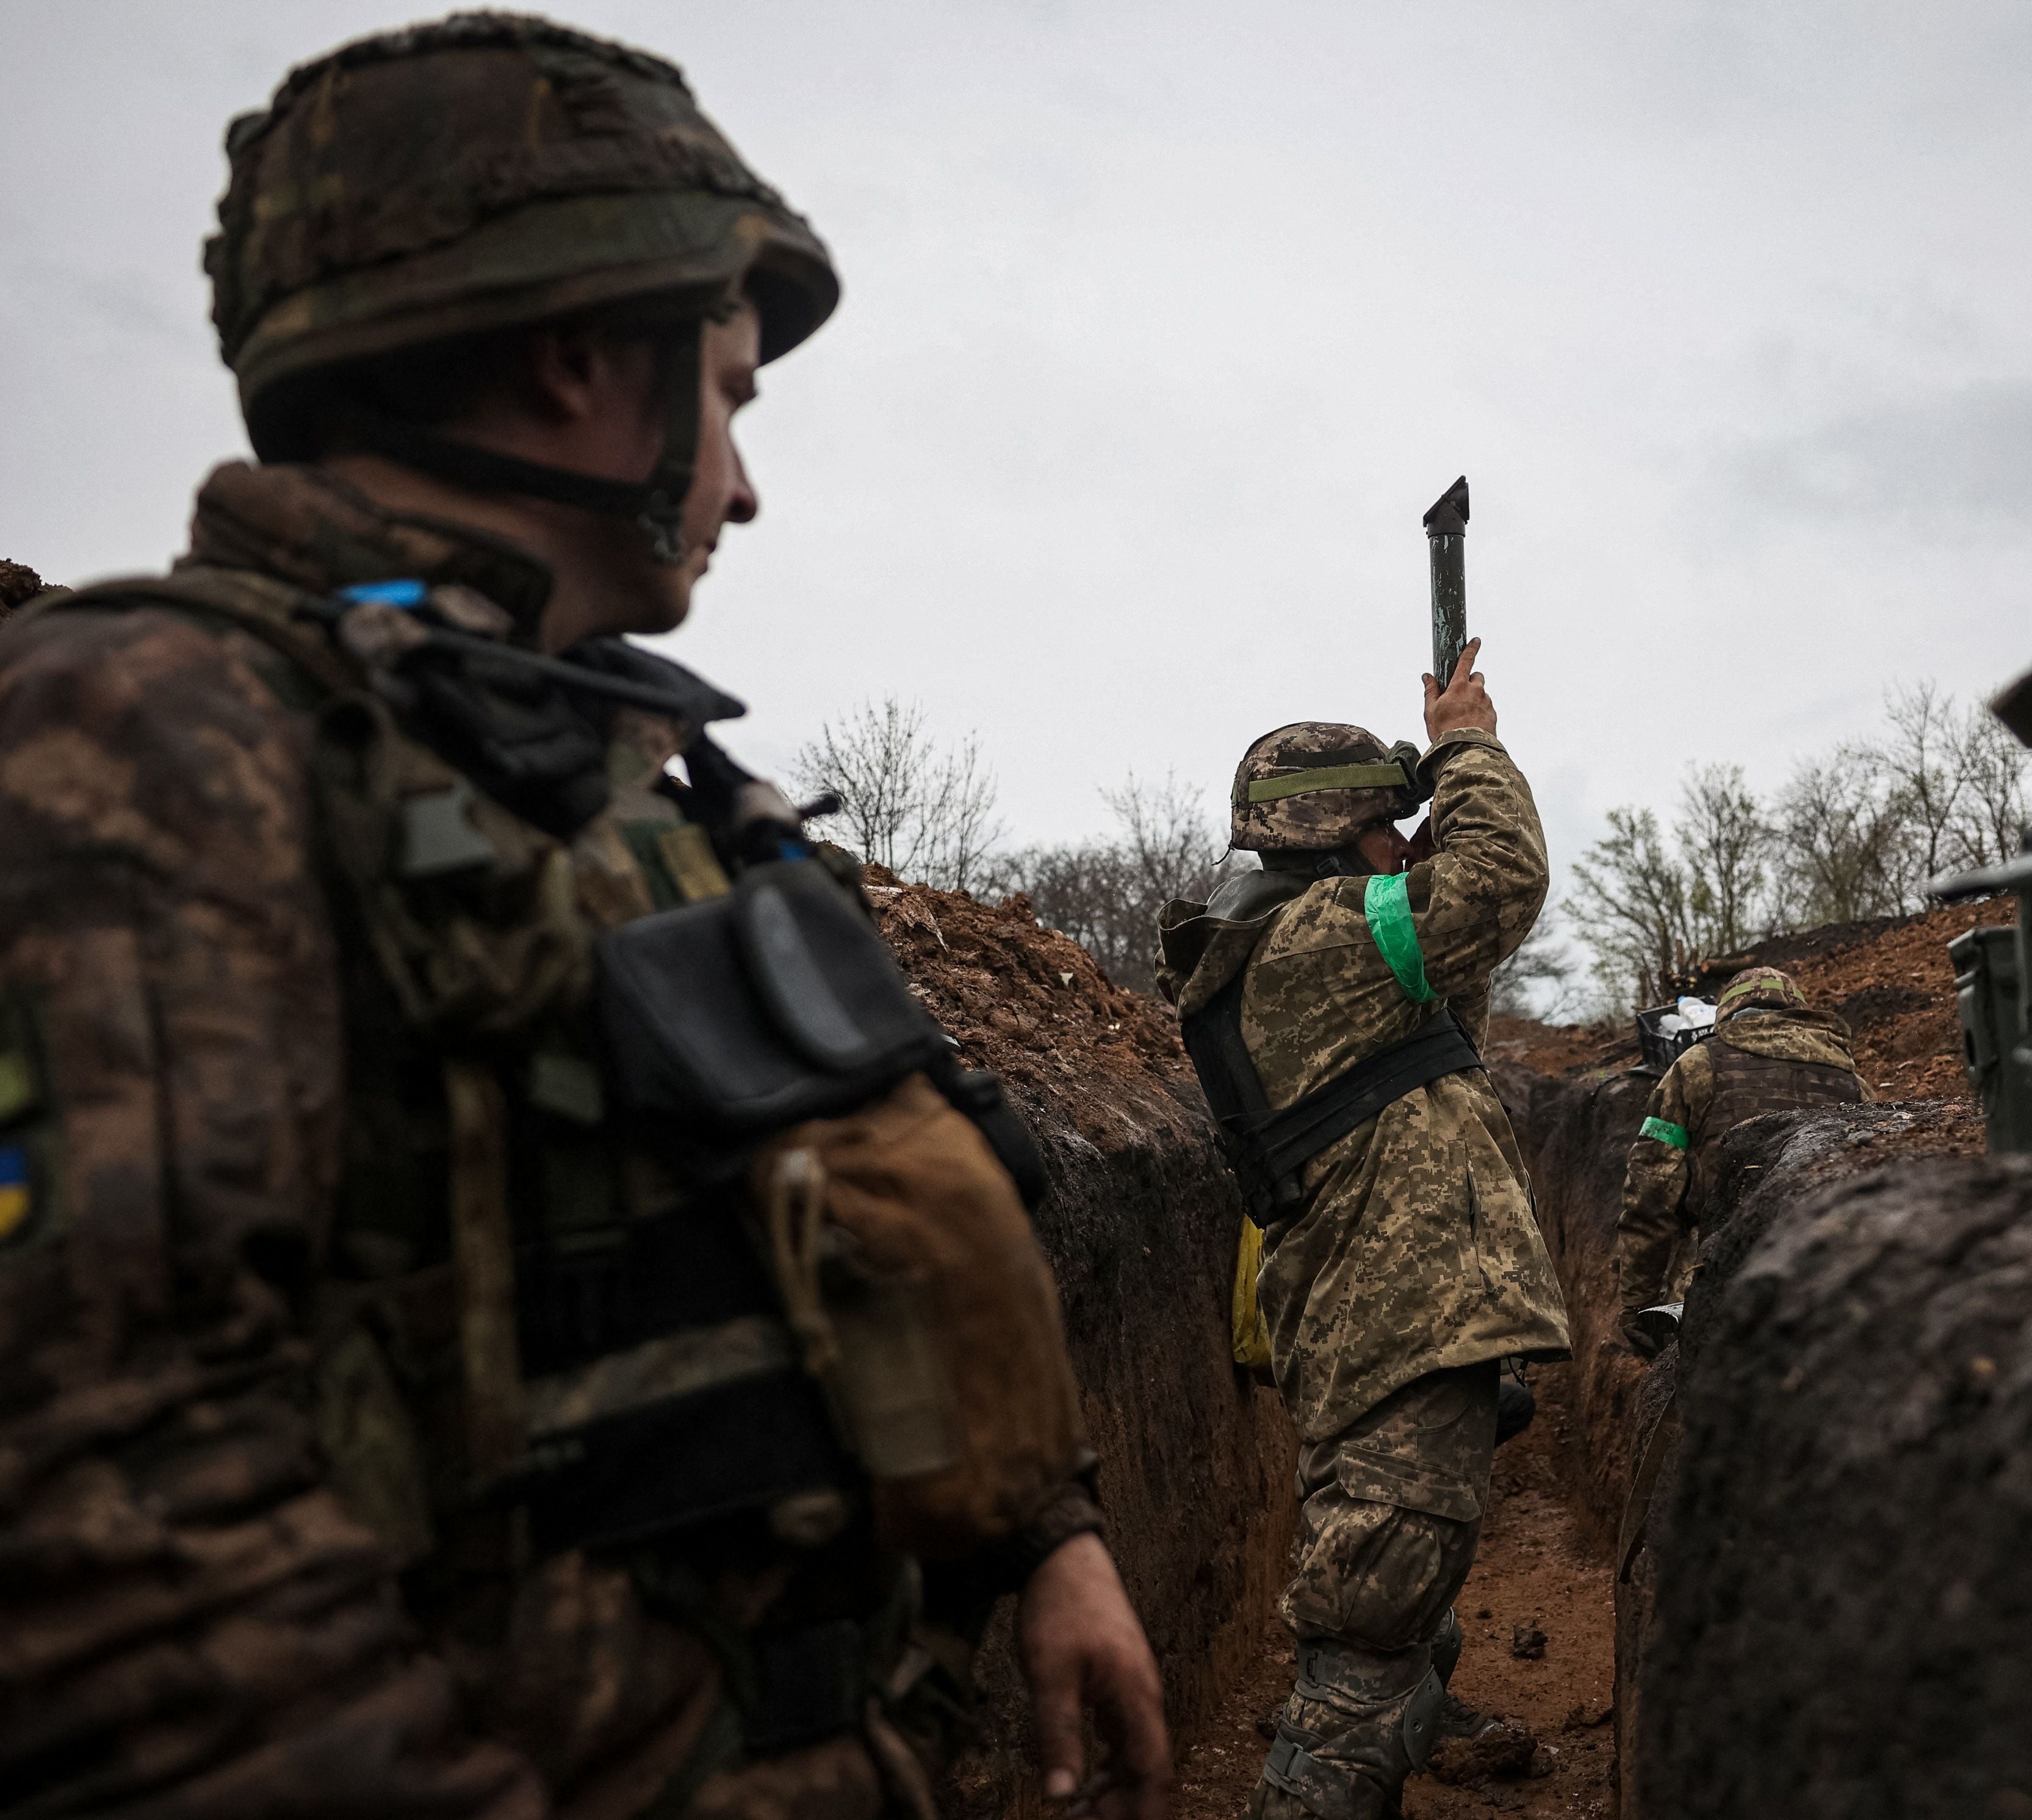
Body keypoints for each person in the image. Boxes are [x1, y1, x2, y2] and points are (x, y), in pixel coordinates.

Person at [0, 16, 1166, 1818]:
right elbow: (101, 1547)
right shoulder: (144, 739)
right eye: (724, 399)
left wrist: (1046, 1545)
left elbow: (853, 1216)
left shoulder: (639, 776)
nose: (746, 483)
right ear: (571, 363)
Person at [1154, 641, 1571, 1820]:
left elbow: (1447, 1020)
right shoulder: (1322, 936)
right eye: (1390, 828)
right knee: (1366, 1657)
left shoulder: (1295, 943)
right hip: (1398, 1329)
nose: (1402, 846)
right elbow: (1500, 882)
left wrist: (1418, 841)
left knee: (1391, 1615)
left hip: (1382, 1327)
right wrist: (1468, 743)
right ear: (1338, 833)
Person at [1613, 966, 1863, 1356]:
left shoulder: (1696, 1066)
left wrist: (1638, 1303)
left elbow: (1652, 1192)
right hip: (1825, 1276)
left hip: (1716, 1278)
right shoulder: (1849, 1080)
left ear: (1726, 1013)